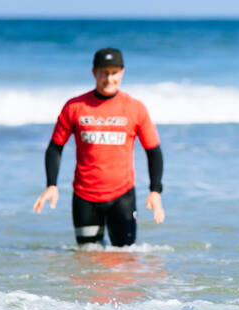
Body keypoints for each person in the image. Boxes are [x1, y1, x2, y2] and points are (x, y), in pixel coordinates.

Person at [33, 48, 165, 246]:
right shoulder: (75, 107)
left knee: (124, 261)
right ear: (94, 72)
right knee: (87, 260)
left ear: (122, 73)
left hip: (122, 196)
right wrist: (51, 184)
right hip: (85, 198)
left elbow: (153, 151)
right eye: (104, 72)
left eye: (114, 73)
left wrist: (155, 191)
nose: (109, 78)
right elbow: (55, 147)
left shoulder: (135, 108)